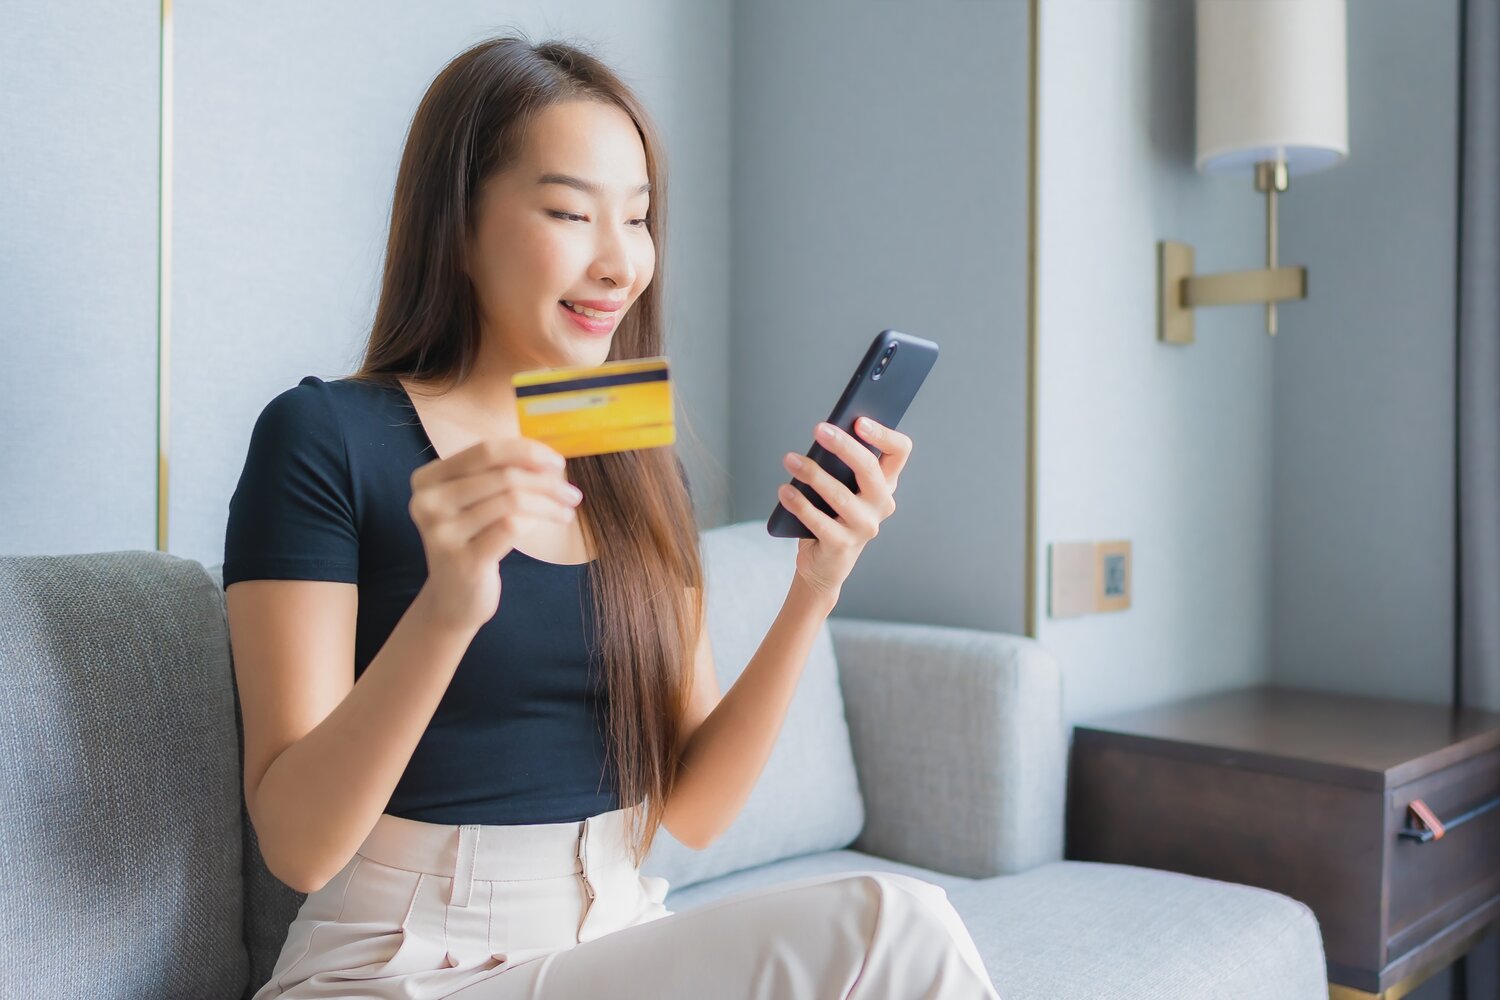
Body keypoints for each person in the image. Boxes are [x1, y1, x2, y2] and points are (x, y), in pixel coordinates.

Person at [223, 33, 1001, 1000]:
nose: (620, 263)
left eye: (636, 218)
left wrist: (815, 588)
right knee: (894, 924)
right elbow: (297, 846)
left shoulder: (626, 446)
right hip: (398, 964)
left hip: (615, 930)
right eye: (569, 213)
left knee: (896, 935)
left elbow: (696, 810)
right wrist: (447, 610)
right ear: (457, 225)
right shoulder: (324, 436)